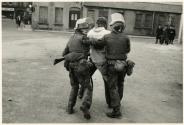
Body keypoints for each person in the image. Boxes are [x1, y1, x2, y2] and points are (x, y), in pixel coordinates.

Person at [88, 13, 134, 118]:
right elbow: (128, 50)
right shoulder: (126, 37)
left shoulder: (107, 37)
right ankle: (118, 103)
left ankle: (116, 110)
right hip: (123, 65)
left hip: (111, 65)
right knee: (121, 84)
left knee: (112, 87)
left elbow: (98, 44)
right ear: (122, 27)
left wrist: (89, 40)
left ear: (112, 26)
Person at [62, 17, 94, 120]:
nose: (86, 30)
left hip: (71, 66)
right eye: (85, 28)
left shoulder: (71, 38)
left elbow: (64, 53)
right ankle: (85, 106)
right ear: (81, 29)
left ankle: (70, 107)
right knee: (88, 87)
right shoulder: (84, 38)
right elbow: (93, 43)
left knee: (74, 87)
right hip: (81, 66)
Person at [83, 17, 112, 108]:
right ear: (104, 24)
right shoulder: (108, 33)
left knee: (86, 77)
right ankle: (110, 102)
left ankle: (81, 94)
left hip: (92, 58)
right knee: (107, 81)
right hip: (102, 60)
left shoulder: (90, 32)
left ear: (97, 23)